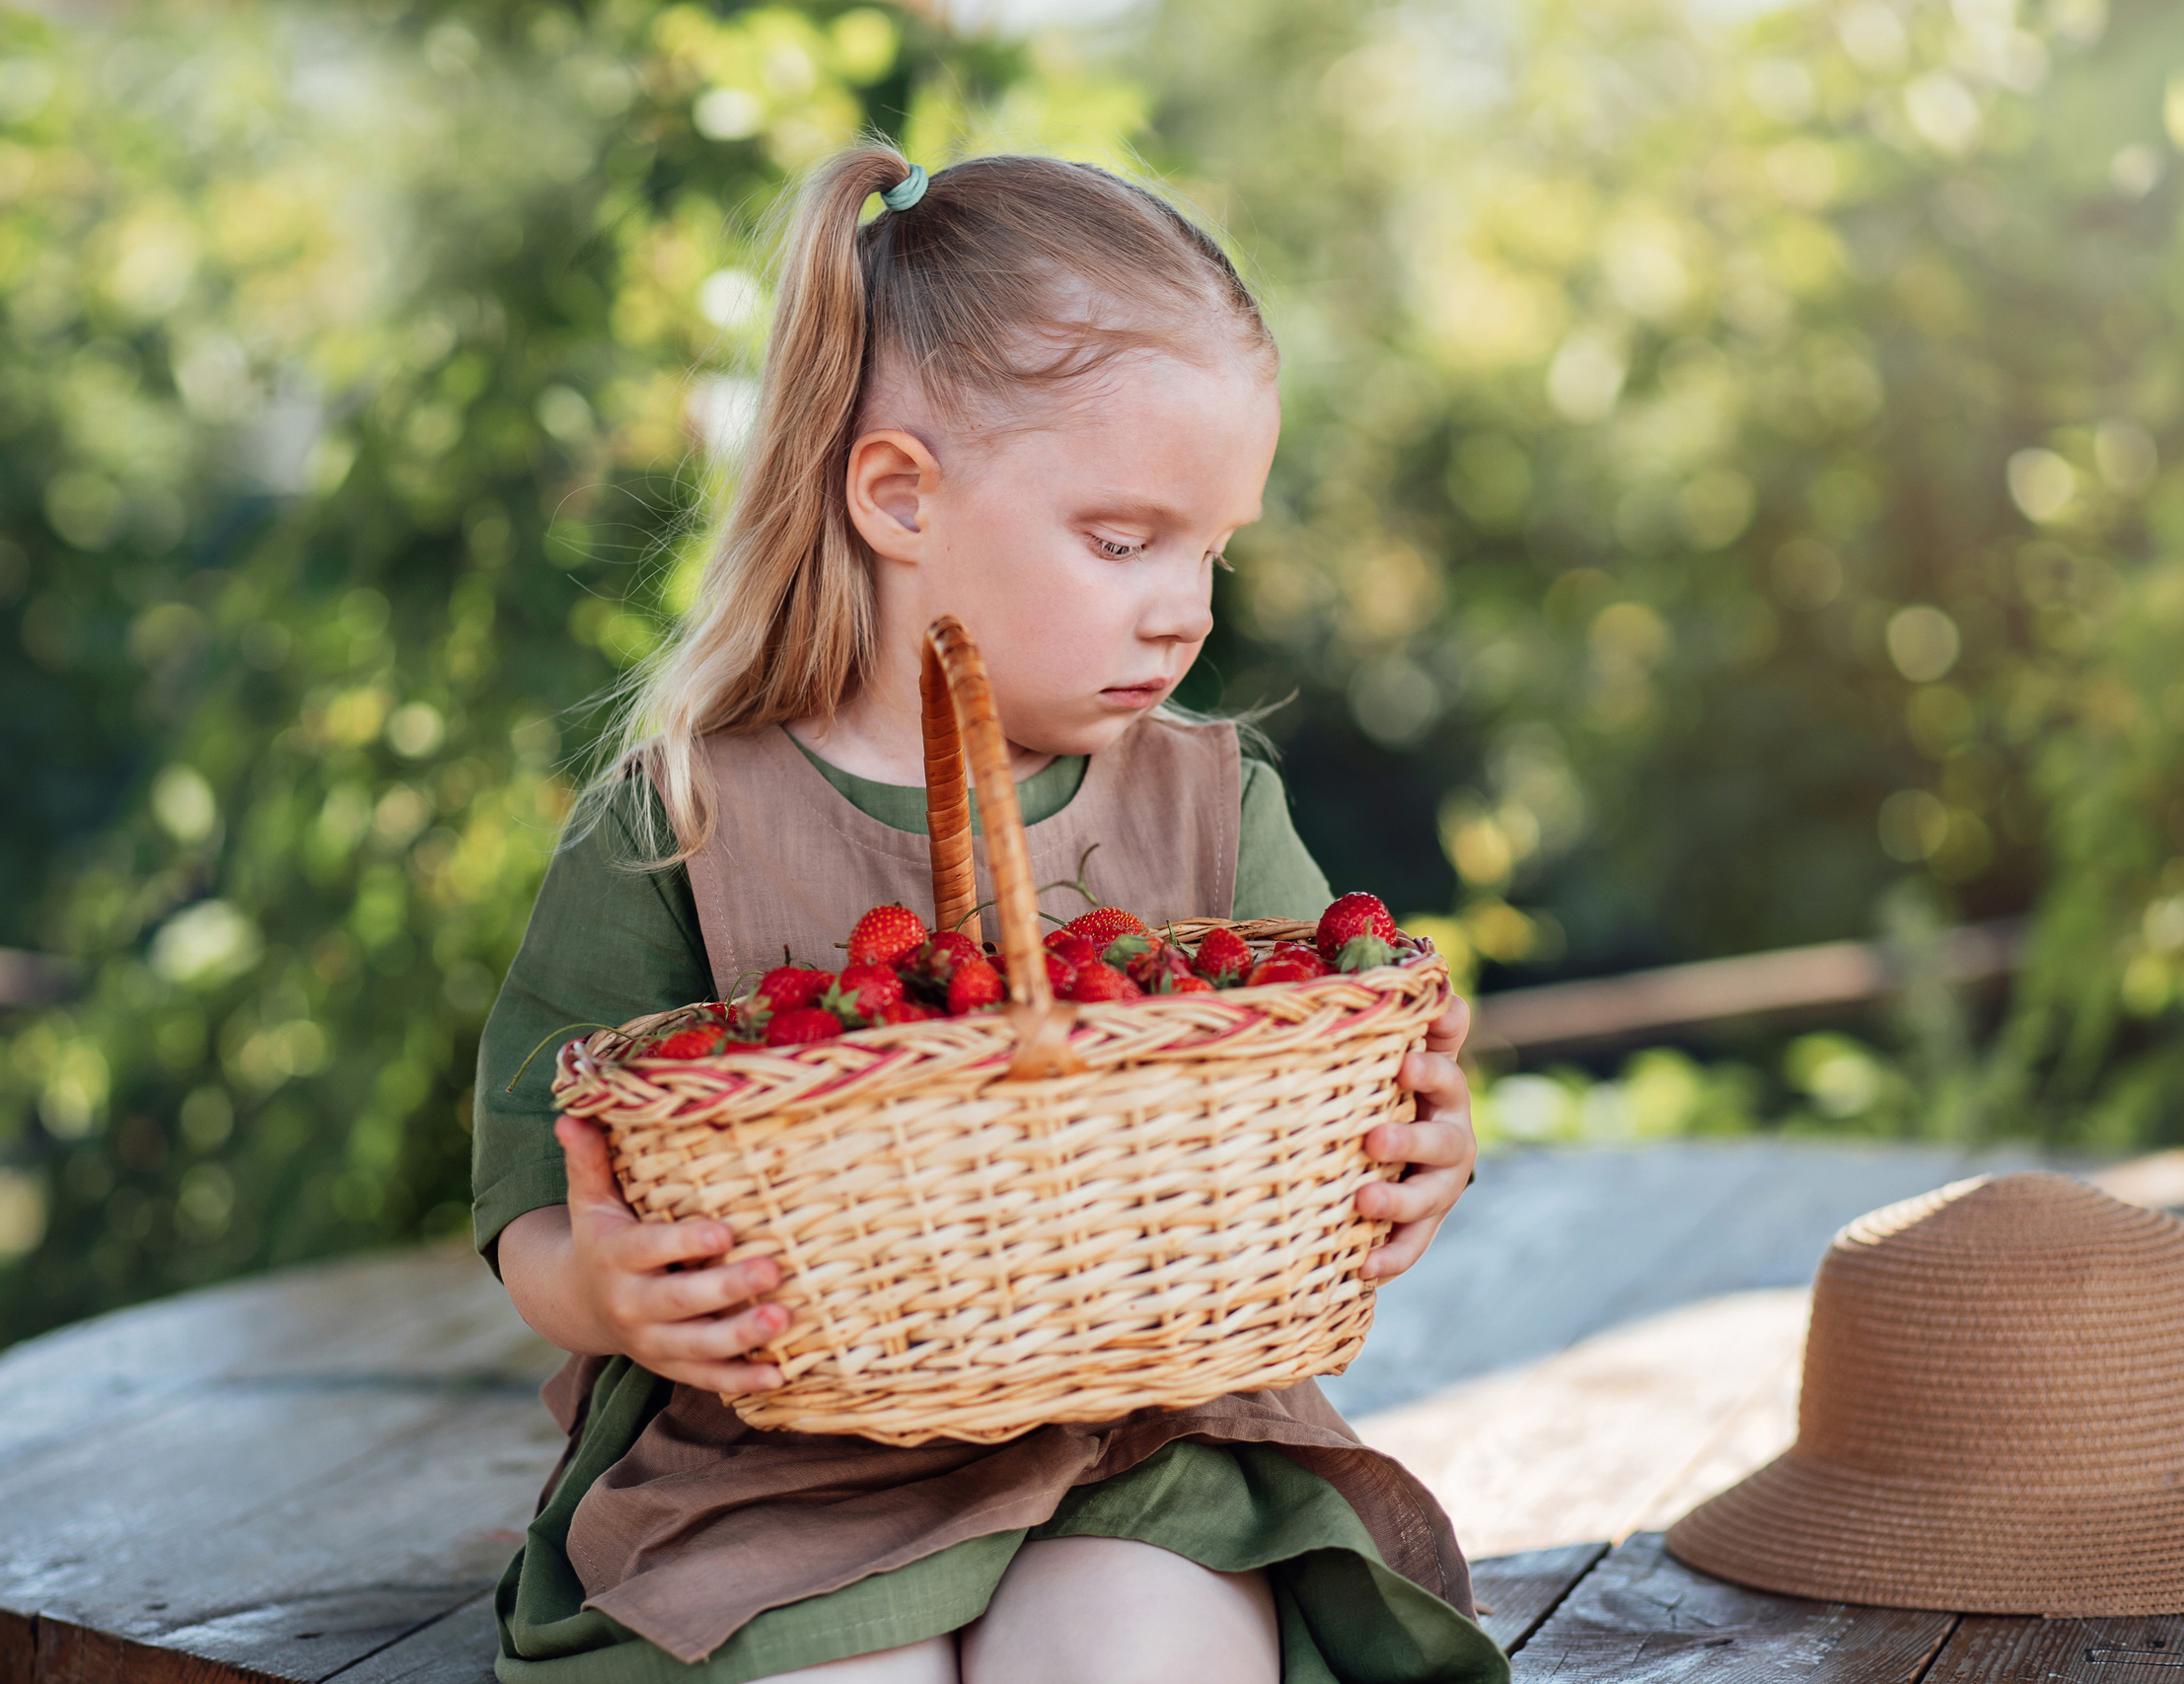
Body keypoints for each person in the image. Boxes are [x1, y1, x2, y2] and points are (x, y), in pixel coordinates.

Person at [473, 145, 1499, 1684]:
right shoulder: (682, 825)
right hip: (787, 1466)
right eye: (1122, 539)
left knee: (1130, 1659)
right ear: (898, 494)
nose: (1187, 608)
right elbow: (530, 1199)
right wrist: (602, 1291)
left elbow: (1343, 1090)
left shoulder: (1214, 805)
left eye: (1214, 548)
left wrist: (1423, 1156)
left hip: (1154, 1438)